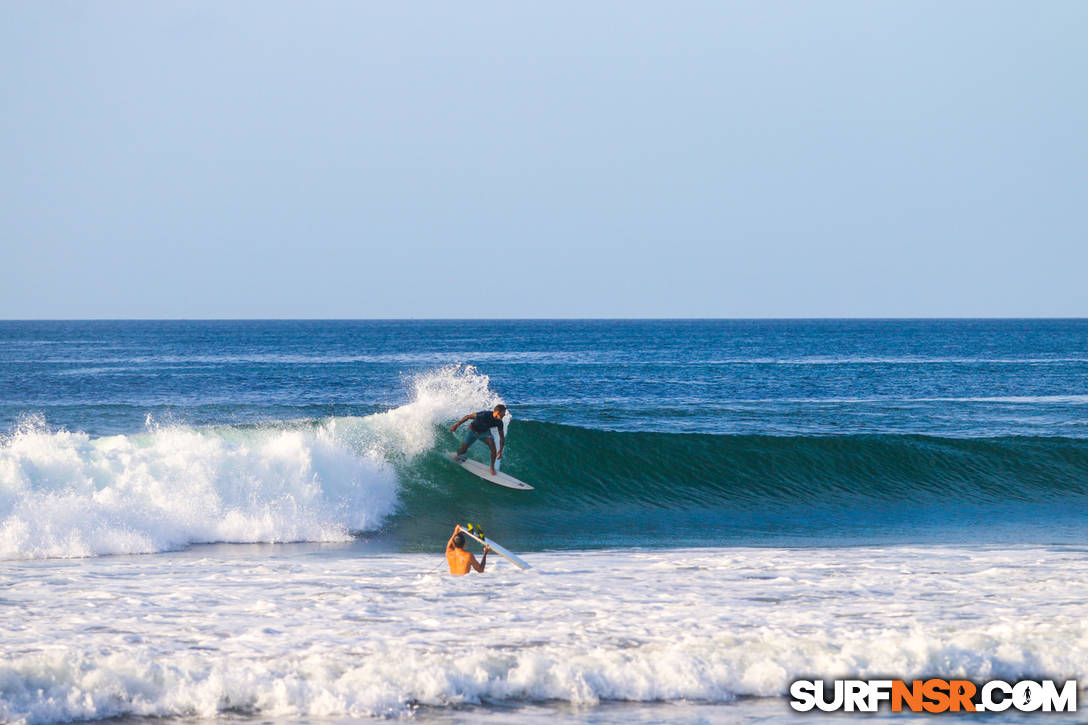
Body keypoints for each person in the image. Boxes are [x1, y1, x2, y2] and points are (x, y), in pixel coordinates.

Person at [449, 404, 507, 475]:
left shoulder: (499, 422)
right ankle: (456, 454)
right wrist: (456, 425)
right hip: (472, 432)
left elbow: (502, 437)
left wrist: (500, 451)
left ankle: (492, 467)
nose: (504, 415)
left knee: (493, 448)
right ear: (498, 412)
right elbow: (467, 417)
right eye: (503, 413)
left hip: (484, 433)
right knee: (463, 450)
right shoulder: (484, 415)